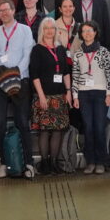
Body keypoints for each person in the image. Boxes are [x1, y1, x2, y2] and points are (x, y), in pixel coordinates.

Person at [0, 0, 37, 178]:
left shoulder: (24, 30)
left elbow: (27, 54)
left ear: (13, 10)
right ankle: (4, 163)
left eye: (6, 10)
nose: (3, 13)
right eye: (0, 11)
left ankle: (29, 163)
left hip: (21, 79)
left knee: (22, 122)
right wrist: (2, 76)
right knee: (0, 124)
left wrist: (15, 74)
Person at [30, 19, 72, 175]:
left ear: (56, 30)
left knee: (58, 130)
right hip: (44, 96)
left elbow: (66, 72)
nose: (49, 31)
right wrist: (41, 96)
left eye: (52, 28)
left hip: (60, 96)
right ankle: (45, 163)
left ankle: (54, 162)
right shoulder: (37, 50)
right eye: (46, 28)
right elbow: (34, 75)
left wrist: (68, 92)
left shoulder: (60, 49)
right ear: (42, 30)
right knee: (44, 131)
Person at [71, 21, 110, 174]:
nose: (87, 33)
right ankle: (90, 161)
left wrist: (109, 93)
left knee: (99, 128)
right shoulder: (78, 54)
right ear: (81, 34)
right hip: (83, 94)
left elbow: (109, 74)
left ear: (95, 32)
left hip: (101, 93)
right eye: (84, 31)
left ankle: (101, 161)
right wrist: (75, 96)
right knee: (88, 128)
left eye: (90, 30)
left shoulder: (103, 52)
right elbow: (75, 76)